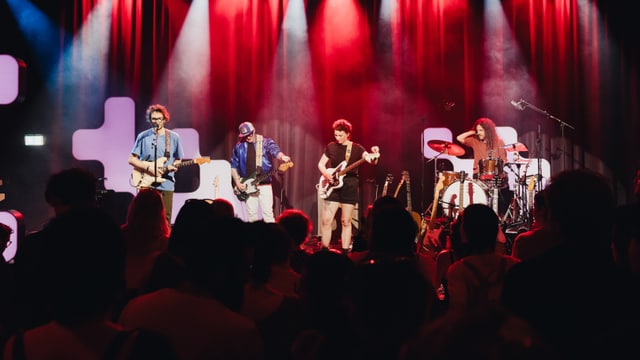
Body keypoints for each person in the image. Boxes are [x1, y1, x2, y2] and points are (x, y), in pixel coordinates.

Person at [317, 119, 380, 253]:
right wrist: (326, 174)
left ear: (347, 134)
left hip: (349, 187)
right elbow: (321, 164)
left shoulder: (357, 148)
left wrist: (375, 154)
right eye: (336, 135)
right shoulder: (331, 147)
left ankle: (345, 252)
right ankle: (324, 251)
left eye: (340, 135)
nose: (337, 138)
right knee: (326, 220)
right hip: (333, 186)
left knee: (346, 221)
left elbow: (370, 160)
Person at [128, 104, 184, 224]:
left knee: (165, 218)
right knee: (144, 218)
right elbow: (131, 159)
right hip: (146, 182)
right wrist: (148, 167)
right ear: (150, 120)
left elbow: (178, 159)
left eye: (159, 119)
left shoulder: (174, 137)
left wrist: (175, 166)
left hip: (166, 183)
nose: (156, 122)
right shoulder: (143, 136)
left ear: (164, 119)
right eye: (153, 119)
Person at [230, 121, 291, 223]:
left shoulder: (265, 142)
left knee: (268, 215)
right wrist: (237, 182)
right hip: (248, 187)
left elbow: (274, 150)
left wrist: (282, 156)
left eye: (249, 135)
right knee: (251, 216)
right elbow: (233, 165)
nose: (247, 137)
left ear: (253, 131)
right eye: (244, 136)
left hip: (264, 185)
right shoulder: (239, 146)